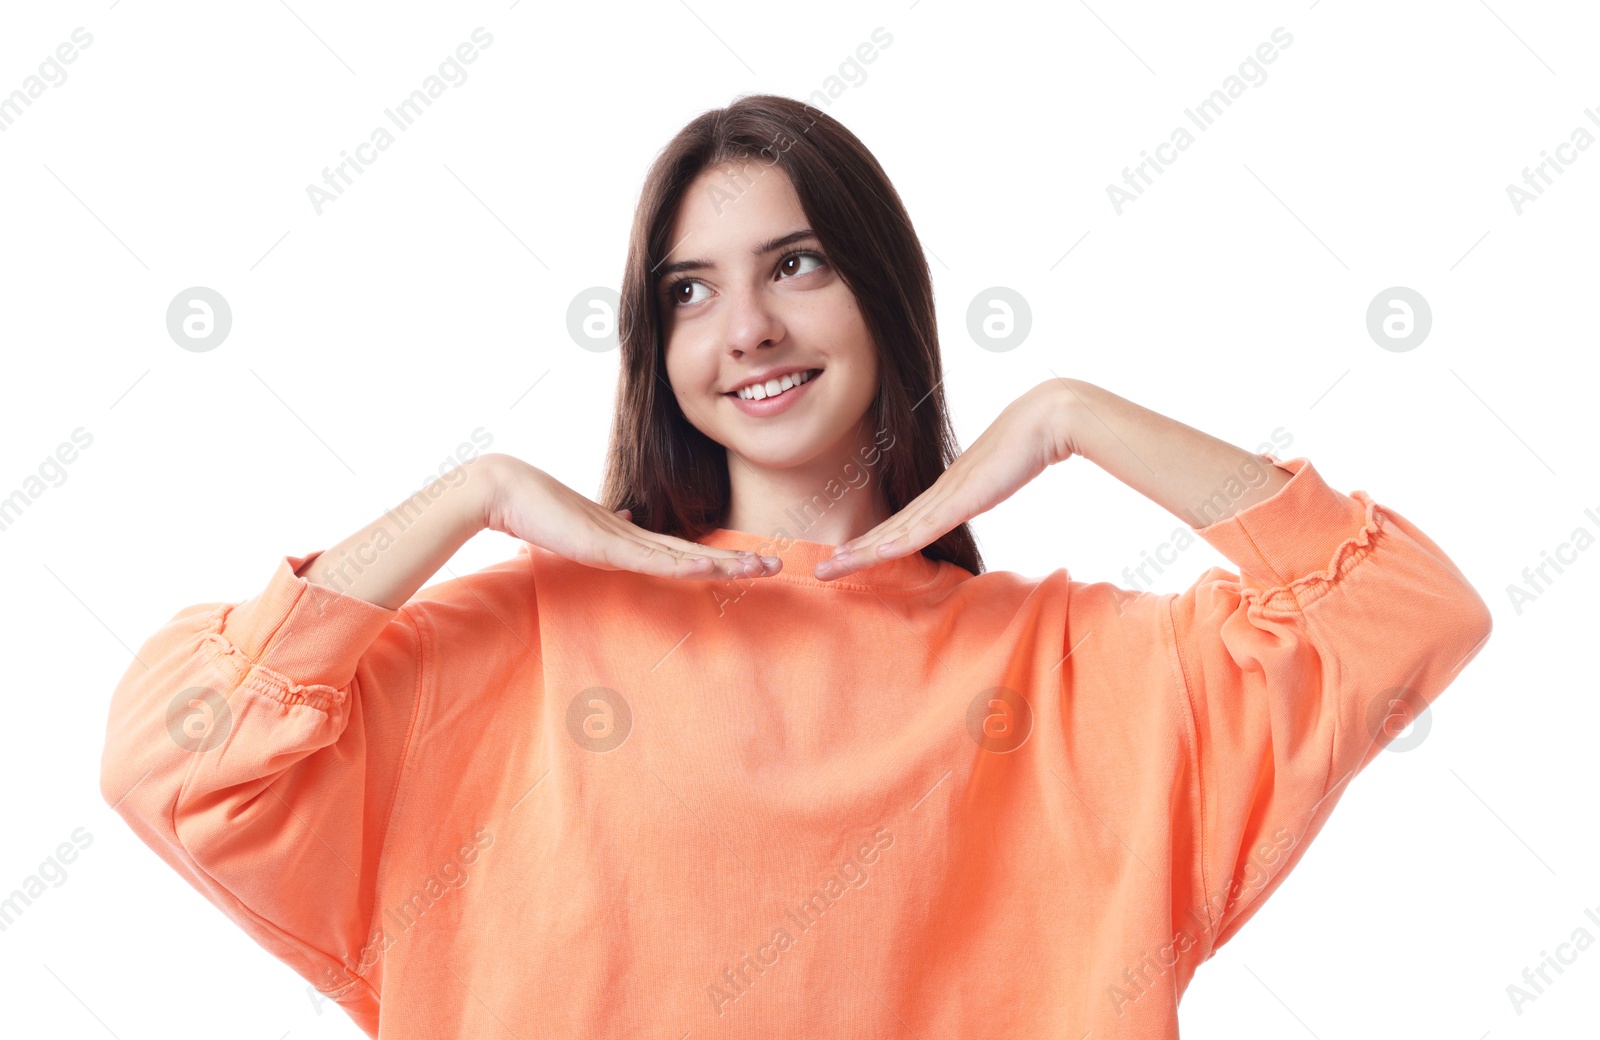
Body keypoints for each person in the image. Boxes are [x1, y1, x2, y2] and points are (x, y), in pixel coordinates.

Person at [99, 94, 1493, 1038]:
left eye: (799, 263)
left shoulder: (1083, 674)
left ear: (884, 291)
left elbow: (1405, 612)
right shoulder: (524, 641)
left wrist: (1075, 419)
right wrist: (472, 495)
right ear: (657, 348)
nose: (746, 328)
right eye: (688, 292)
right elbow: (175, 765)